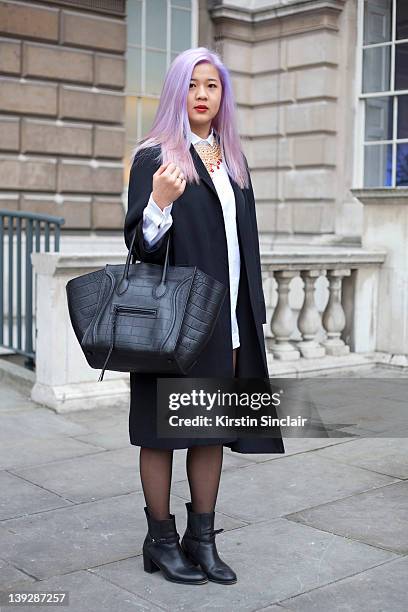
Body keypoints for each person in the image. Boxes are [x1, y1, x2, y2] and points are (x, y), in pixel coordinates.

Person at [124, 47, 285, 586]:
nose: (202, 94)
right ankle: (161, 539)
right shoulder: (155, 157)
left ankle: (201, 539)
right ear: (177, 92)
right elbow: (140, 246)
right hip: (172, 323)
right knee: (160, 433)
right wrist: (159, 204)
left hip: (225, 320)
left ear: (223, 96)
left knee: (208, 430)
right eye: (192, 85)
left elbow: (244, 251)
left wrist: (248, 322)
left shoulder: (233, 161)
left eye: (211, 86)